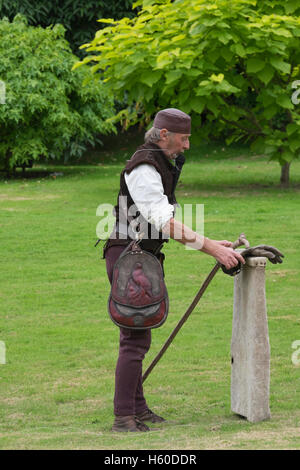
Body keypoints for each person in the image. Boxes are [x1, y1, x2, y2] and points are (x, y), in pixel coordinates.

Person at [103, 108, 245, 432]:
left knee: (139, 336)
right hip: (128, 256)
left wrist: (213, 244)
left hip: (140, 256)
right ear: (164, 135)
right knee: (134, 339)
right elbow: (162, 222)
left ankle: (137, 409)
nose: (187, 146)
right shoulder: (143, 165)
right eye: (184, 139)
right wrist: (212, 248)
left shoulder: (160, 161)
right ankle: (124, 417)